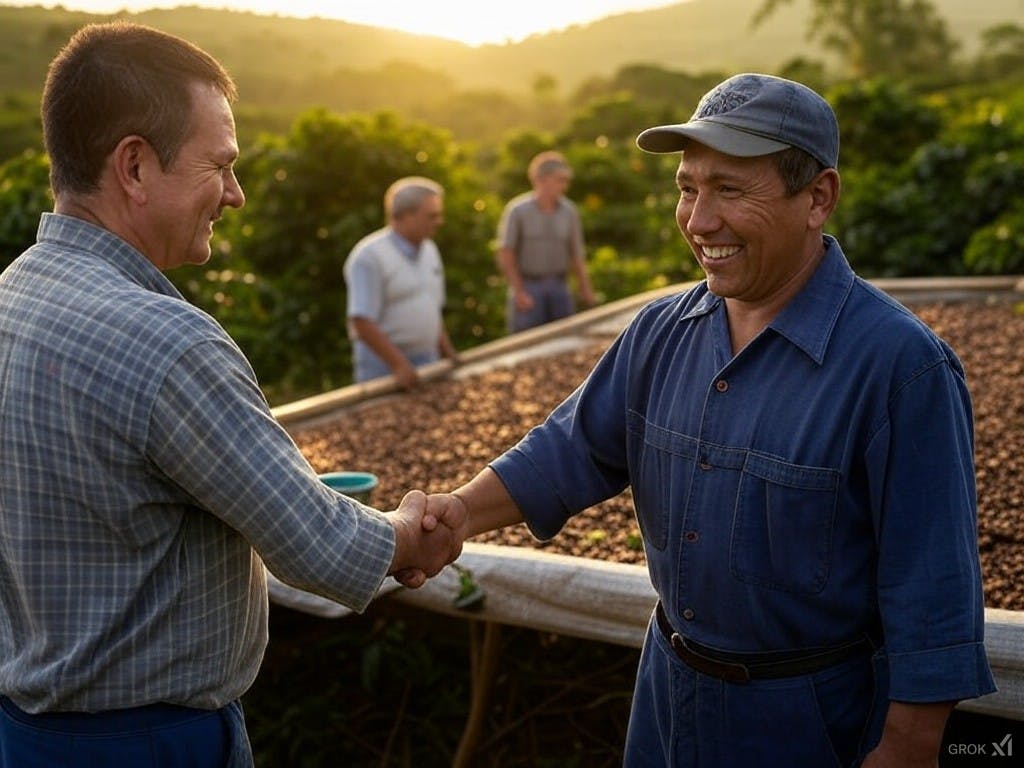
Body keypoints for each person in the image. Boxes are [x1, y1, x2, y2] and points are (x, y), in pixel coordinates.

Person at [425, 73, 996, 767]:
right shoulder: (662, 330)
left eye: (729, 189)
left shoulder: (900, 367)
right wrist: (455, 514)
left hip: (809, 717)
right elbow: (571, 450)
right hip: (668, 692)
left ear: (818, 197)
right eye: (687, 188)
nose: (698, 220)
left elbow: (932, 583)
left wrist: (908, 745)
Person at [0, 22, 463, 768]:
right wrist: (412, 529)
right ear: (135, 166)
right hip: (149, 743)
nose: (237, 195)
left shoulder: (11, 297)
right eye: (221, 165)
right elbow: (319, 544)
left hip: (26, 734)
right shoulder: (166, 341)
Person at [344, 176, 459, 390]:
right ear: (405, 215)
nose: (439, 222)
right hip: (385, 370)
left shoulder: (429, 250)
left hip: (428, 360)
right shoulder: (369, 257)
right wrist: (399, 365)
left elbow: (430, 307)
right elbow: (362, 321)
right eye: (432, 216)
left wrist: (447, 351)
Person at [496, 150, 596, 333]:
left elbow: (576, 255)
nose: (564, 186)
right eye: (560, 180)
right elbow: (506, 252)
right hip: (528, 287)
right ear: (541, 180)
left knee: (565, 342)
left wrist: (585, 290)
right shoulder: (517, 211)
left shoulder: (569, 212)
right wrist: (518, 291)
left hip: (559, 287)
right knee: (525, 345)